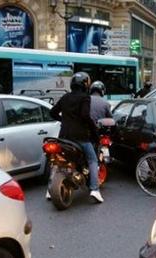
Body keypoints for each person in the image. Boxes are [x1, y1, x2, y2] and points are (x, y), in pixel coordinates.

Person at [49, 72, 104, 203]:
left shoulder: (65, 97)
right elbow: (85, 116)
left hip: (64, 136)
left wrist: (64, 120)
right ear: (85, 84)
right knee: (92, 159)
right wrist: (94, 130)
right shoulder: (85, 98)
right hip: (80, 137)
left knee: (56, 162)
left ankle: (48, 190)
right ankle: (95, 189)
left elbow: (52, 112)